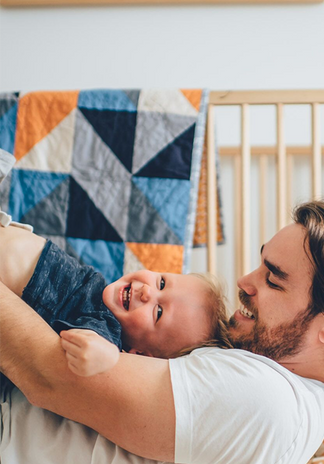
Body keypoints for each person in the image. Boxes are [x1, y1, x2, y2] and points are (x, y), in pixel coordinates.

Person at [0, 200, 324, 464]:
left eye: (273, 278)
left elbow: (48, 377)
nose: (245, 282)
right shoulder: (282, 394)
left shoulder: (265, 399)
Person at [0, 150, 228, 376]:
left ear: (139, 355)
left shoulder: (107, 326)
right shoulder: (95, 291)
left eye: (158, 312)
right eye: (161, 283)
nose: (148, 292)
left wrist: (109, 357)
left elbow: (98, 345)